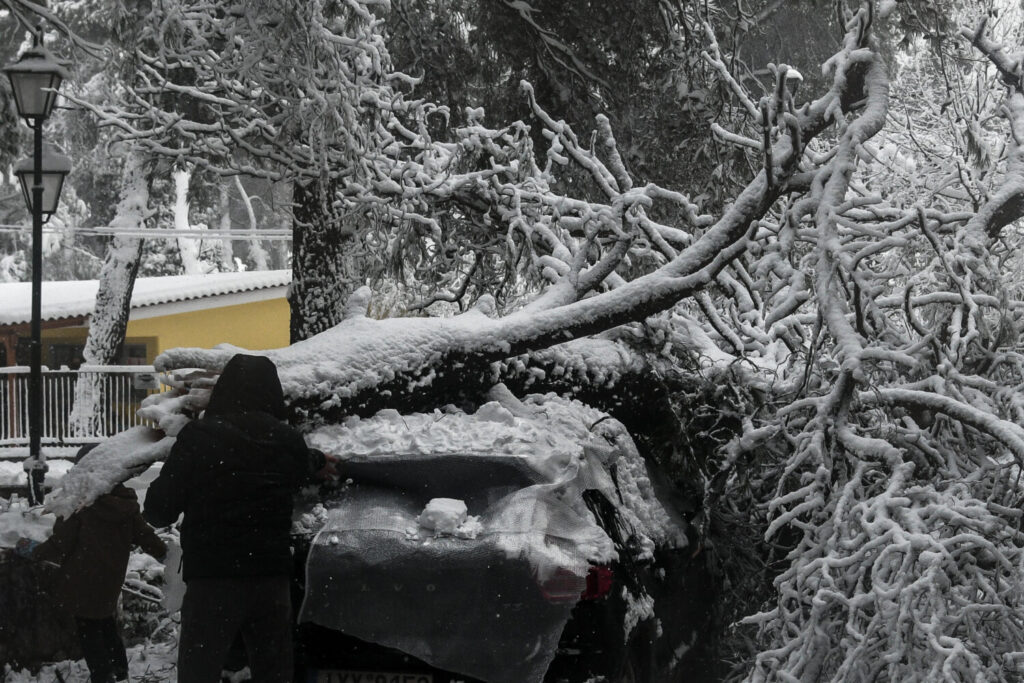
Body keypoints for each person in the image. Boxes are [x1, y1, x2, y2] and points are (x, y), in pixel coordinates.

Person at [143, 353, 337, 683]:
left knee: (198, 673)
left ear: (225, 390)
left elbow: (159, 511)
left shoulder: (199, 438)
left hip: (211, 583)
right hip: (270, 581)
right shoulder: (286, 439)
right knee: (273, 673)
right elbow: (299, 462)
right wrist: (318, 460)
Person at [18, 443, 167, 683]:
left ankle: (102, 675)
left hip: (81, 579)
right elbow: (147, 538)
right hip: (110, 579)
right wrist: (166, 553)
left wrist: (32, 550)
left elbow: (60, 545)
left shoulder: (80, 504)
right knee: (104, 621)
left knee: (89, 629)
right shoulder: (125, 502)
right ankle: (119, 670)